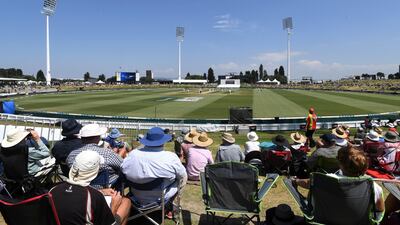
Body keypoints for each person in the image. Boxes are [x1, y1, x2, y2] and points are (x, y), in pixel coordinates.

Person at [121, 127, 187, 219]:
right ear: (163, 141)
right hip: (159, 199)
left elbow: (123, 169)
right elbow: (182, 176)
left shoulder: (133, 154)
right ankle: (171, 205)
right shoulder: (171, 157)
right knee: (183, 178)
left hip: (136, 196)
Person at [50, 150, 131, 225]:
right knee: (126, 202)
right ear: (94, 171)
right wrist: (114, 206)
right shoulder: (94, 197)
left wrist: (101, 191)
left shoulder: (53, 190)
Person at [295, 146, 384, 213]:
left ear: (340, 164)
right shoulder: (373, 187)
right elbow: (380, 210)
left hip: (326, 220)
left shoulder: (325, 179)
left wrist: (295, 181)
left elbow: (306, 182)